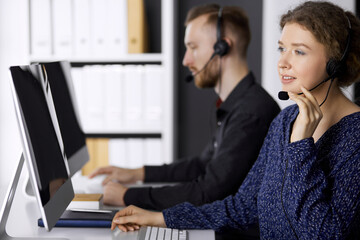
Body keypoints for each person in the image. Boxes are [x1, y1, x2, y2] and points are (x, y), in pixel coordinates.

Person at [110, 1, 360, 239]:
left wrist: (300, 148)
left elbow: (325, 233)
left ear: (334, 63)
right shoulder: (286, 122)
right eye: (282, 49)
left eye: (299, 51)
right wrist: (161, 218)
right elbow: (242, 207)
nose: (283, 62)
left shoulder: (355, 138)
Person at [91, 2, 279, 224]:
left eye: (193, 47)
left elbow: (208, 192)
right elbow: (202, 165)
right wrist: (137, 173)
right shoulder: (232, 104)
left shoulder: (251, 113)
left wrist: (127, 196)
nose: (186, 60)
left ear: (223, 47)